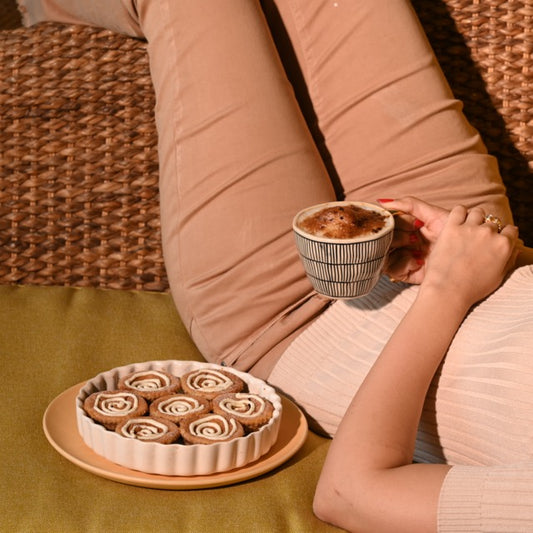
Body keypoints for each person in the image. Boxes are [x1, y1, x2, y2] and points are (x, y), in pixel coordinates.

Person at [17, 0, 533, 530]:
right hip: (463, 238)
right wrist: (472, 249)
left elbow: (350, 495)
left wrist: (449, 290)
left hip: (297, 314)